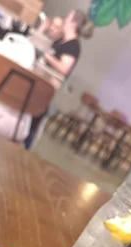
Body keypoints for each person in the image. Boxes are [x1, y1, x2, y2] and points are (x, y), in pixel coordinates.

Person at [24, 9, 93, 148]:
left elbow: (64, 68)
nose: (65, 20)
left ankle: (26, 145)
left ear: (73, 23)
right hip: (40, 84)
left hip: (47, 89)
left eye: (68, 18)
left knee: (32, 123)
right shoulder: (62, 40)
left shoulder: (73, 46)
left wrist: (47, 55)